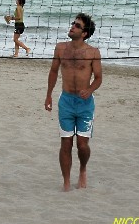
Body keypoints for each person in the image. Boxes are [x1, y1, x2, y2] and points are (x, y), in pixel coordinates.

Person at [44, 13, 102, 191]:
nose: (72, 27)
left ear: (84, 33)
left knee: (82, 145)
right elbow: (53, 71)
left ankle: (83, 169)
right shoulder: (61, 48)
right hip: (66, 101)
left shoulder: (93, 52)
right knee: (66, 143)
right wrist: (48, 95)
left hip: (85, 104)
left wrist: (90, 89)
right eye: (73, 24)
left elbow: (99, 78)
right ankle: (67, 182)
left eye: (77, 25)